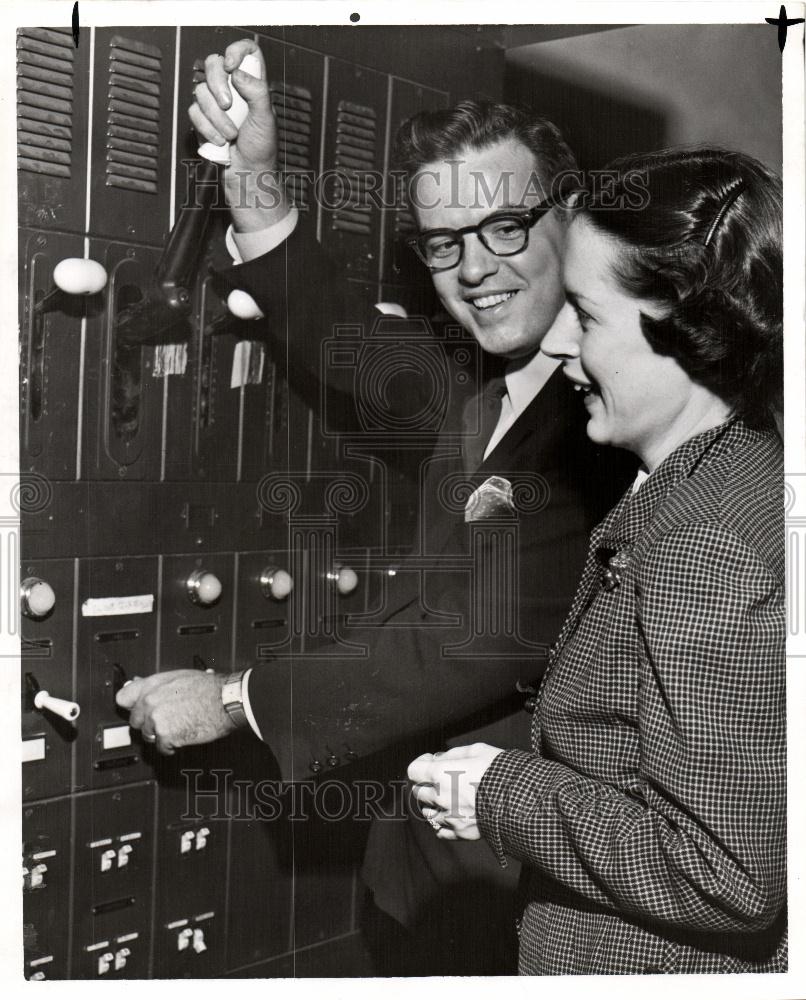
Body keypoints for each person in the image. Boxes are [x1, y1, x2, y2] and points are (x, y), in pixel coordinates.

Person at [116, 40, 631, 973]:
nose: (476, 268)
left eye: (505, 226)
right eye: (444, 243)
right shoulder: (491, 378)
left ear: (573, 216)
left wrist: (234, 700)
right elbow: (345, 346)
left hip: (524, 902)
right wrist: (258, 182)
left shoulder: (613, 412)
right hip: (416, 874)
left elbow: (463, 644)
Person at [409, 147, 786, 974]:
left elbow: (728, 874)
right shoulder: (727, 476)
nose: (565, 345)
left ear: (692, 328)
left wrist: (500, 791)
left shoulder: (705, 545)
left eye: (588, 314)